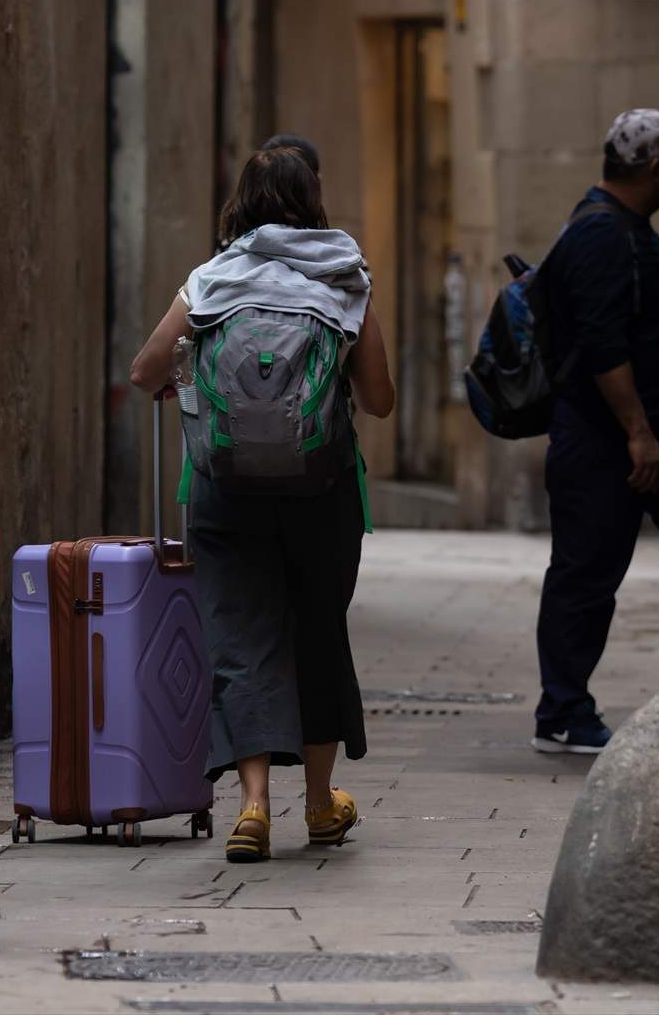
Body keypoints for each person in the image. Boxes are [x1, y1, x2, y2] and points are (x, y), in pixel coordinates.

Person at [129, 146, 394, 861]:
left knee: (241, 639)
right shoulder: (345, 276)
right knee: (317, 632)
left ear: (240, 201)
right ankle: (318, 804)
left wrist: (188, 379)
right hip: (324, 488)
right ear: (314, 200)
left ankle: (251, 809)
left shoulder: (213, 278)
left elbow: (144, 370)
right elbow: (379, 398)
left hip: (226, 492)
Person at [531, 108, 659, 754]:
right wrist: (639, 433)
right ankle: (562, 713)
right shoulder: (600, 234)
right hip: (608, 446)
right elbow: (603, 345)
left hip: (648, 442)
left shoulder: (634, 231)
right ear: (656, 167)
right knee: (585, 575)